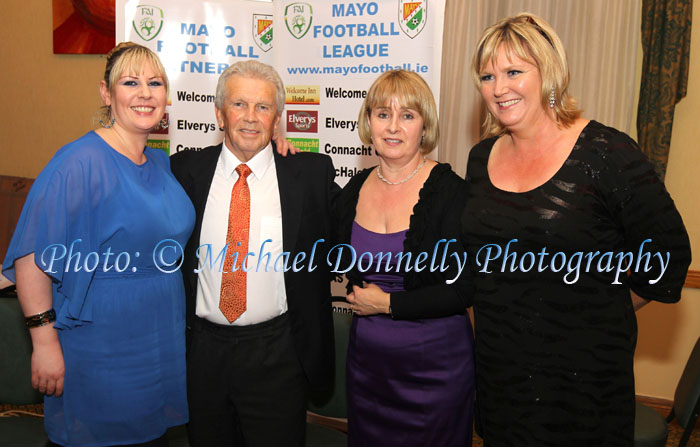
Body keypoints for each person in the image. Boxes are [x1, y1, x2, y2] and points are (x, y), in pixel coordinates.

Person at [462, 13, 692, 446]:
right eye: (487, 75)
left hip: (584, 385)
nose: (498, 87)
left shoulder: (606, 152)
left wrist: (601, 310)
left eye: (514, 71)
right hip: (501, 378)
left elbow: (670, 255)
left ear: (548, 72)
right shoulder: (480, 158)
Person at [2, 42, 195, 446]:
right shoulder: (79, 162)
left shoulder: (159, 163)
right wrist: (43, 342)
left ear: (166, 97)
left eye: (155, 83)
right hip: (101, 345)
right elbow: (31, 259)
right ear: (107, 94)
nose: (145, 93)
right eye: (131, 82)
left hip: (158, 340)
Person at [169, 60, 339, 447]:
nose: (250, 117)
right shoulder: (182, 171)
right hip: (202, 354)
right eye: (239, 105)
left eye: (262, 107)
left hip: (277, 354)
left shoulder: (310, 175)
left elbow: (360, 226)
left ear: (277, 118)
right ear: (219, 114)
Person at [336, 70, 475, 446]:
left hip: (435, 372)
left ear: (425, 126)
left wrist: (388, 303)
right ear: (368, 122)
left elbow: (466, 289)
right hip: (368, 368)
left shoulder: (451, 192)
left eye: (407, 116)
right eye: (383, 114)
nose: (393, 127)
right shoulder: (353, 189)